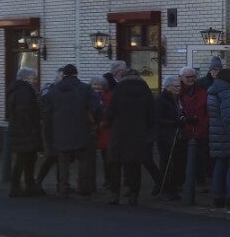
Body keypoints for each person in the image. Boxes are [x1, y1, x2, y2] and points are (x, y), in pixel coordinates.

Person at [105, 62, 155, 206]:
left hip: (119, 132)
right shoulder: (145, 89)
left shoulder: (119, 89)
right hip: (139, 133)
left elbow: (110, 111)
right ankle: (134, 195)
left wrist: (107, 123)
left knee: (115, 164)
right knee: (134, 165)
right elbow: (152, 113)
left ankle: (114, 194)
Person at [42, 64, 93, 197]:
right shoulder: (85, 88)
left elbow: (47, 114)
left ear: (63, 74)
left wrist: (48, 133)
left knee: (63, 159)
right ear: (76, 74)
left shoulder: (53, 90)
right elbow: (96, 108)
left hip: (60, 130)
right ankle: (83, 187)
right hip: (81, 129)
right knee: (83, 159)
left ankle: (63, 186)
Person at [204, 67, 230, 210]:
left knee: (219, 165)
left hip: (216, 133)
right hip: (227, 134)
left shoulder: (212, 90)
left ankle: (217, 197)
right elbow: (228, 117)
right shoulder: (226, 92)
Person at [5, 67, 42, 197]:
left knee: (27, 158)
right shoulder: (25, 91)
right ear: (26, 78)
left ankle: (25, 185)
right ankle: (21, 186)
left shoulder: (16, 89)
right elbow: (24, 112)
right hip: (25, 131)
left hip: (19, 130)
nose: (35, 80)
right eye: (33, 77)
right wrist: (31, 127)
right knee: (25, 158)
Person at [178, 67, 209, 195]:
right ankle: (182, 182)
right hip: (183, 132)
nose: (191, 79)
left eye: (192, 77)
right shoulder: (177, 92)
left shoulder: (202, 92)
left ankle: (200, 182)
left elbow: (207, 111)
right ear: (181, 78)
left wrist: (204, 124)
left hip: (200, 131)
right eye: (188, 77)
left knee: (200, 158)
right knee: (181, 158)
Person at [154, 75, 185, 200]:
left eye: (179, 86)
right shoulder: (161, 100)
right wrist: (176, 122)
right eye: (176, 86)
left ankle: (172, 187)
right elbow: (159, 119)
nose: (179, 89)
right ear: (168, 87)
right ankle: (166, 189)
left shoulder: (174, 99)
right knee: (166, 163)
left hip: (173, 134)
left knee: (173, 163)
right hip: (165, 136)